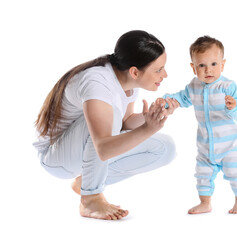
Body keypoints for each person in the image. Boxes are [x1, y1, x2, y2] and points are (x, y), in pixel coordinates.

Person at [33, 30, 179, 220]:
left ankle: (86, 181)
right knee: (113, 116)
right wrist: (147, 129)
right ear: (134, 71)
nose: (165, 75)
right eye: (158, 69)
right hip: (56, 157)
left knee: (166, 148)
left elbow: (125, 123)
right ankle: (90, 198)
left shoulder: (127, 83)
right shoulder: (97, 83)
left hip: (85, 151)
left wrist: (150, 118)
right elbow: (103, 147)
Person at [161, 36, 237, 214]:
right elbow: (181, 98)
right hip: (205, 145)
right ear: (193, 67)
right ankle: (205, 203)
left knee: (234, 173)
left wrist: (233, 106)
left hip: (230, 145)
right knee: (202, 175)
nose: (208, 70)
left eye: (214, 64)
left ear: (222, 65)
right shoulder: (194, 87)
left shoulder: (227, 86)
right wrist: (167, 101)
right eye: (202, 65)